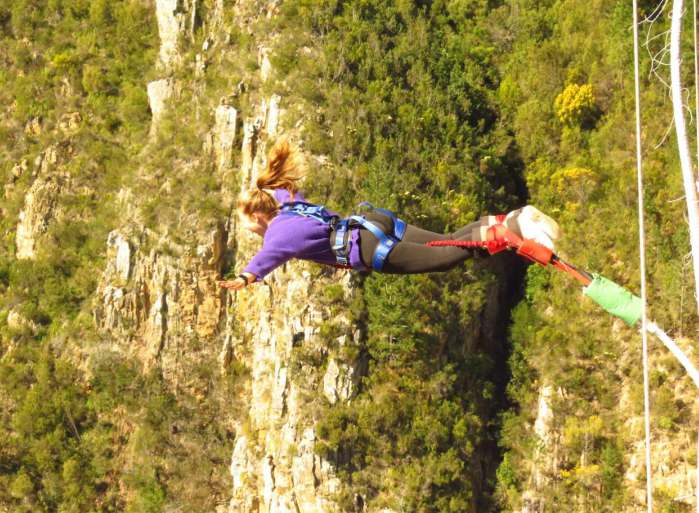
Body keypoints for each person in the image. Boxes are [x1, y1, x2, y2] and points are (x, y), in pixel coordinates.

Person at [217, 139, 560, 291]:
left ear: (259, 217)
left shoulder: (278, 233)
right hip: (371, 223)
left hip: (367, 248)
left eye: (249, 225)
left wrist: (246, 277)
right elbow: (272, 191)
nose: (251, 233)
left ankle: (514, 229)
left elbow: (266, 258)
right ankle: (513, 218)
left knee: (445, 257)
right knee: (449, 239)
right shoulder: (288, 201)